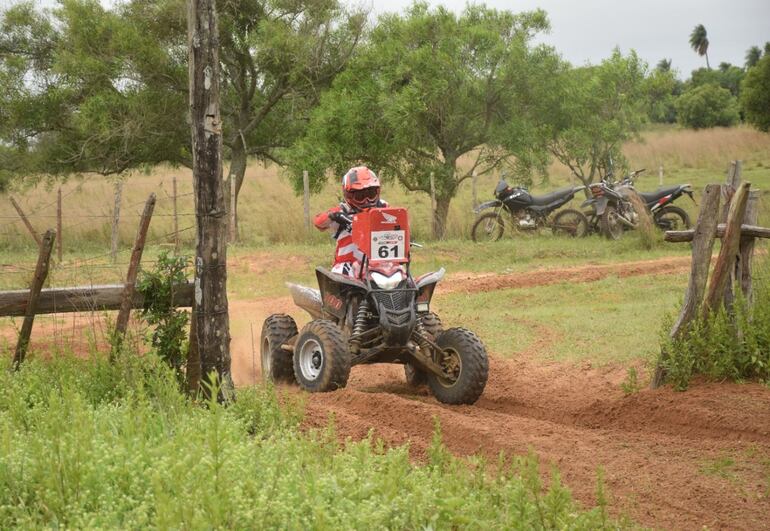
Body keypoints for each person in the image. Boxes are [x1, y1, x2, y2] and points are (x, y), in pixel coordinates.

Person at [314, 165, 387, 277]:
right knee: (340, 272)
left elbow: (399, 221)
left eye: (371, 194)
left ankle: (412, 292)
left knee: (399, 270)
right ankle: (334, 294)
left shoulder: (383, 206)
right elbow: (318, 223)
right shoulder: (343, 210)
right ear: (348, 194)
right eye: (360, 196)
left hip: (378, 263)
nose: (366, 200)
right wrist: (334, 216)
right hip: (347, 265)